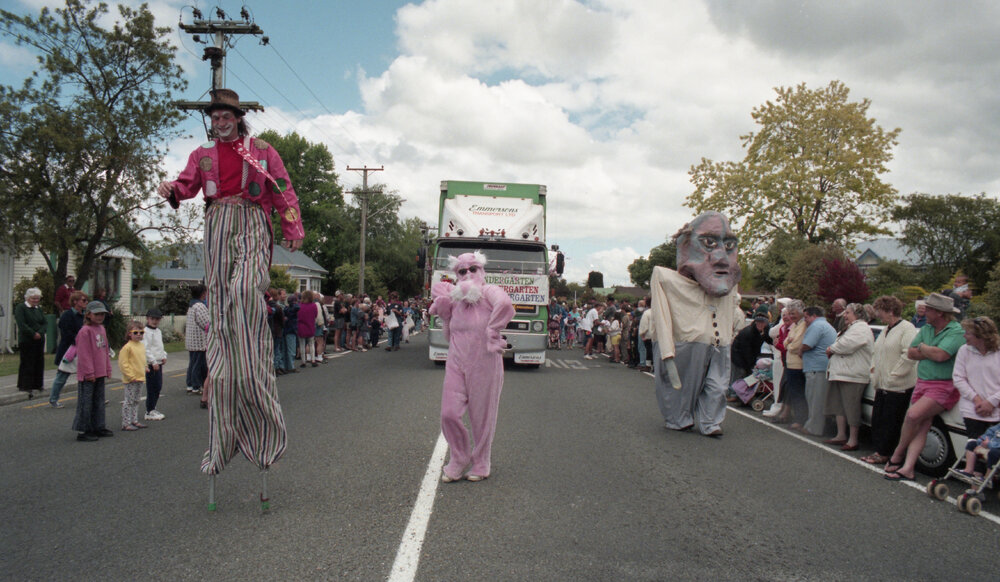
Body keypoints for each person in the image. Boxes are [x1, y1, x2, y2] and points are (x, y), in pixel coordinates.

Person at [647, 211, 743, 436]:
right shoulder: (665, 278)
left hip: (719, 344)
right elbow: (660, 314)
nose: (720, 257)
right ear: (685, 246)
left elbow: (731, 312)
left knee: (718, 387)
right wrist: (667, 352)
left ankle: (711, 422)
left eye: (728, 244)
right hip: (684, 343)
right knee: (681, 388)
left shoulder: (728, 282)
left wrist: (729, 338)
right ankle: (679, 418)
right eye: (708, 243)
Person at [429, 252, 515, 482]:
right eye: (462, 271)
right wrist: (445, 311)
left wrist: (492, 330)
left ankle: (481, 462)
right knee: (448, 413)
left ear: (481, 271)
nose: (468, 274)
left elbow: (506, 305)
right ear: (457, 275)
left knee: (482, 416)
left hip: (485, 361)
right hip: (456, 361)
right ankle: (459, 458)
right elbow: (448, 330)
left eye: (473, 269)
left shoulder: (489, 292)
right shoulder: (456, 300)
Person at [885, 293, 966, 481]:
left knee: (913, 415)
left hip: (944, 385)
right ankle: (908, 468)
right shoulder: (927, 328)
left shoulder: (956, 331)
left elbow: (941, 356)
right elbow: (911, 353)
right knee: (922, 425)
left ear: (939, 313)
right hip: (923, 381)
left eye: (928, 309)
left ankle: (898, 453)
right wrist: (926, 349)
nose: (924, 311)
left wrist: (922, 348)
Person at [861, 295, 918, 465]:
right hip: (882, 384)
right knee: (878, 419)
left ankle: (885, 452)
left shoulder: (907, 328)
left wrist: (895, 375)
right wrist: (873, 371)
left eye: (881, 311)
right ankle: (880, 450)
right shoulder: (886, 329)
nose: (878, 315)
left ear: (891, 311)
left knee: (891, 421)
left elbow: (908, 355)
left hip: (898, 386)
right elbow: (876, 352)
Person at [823, 303, 874, 450]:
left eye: (848, 313)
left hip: (853, 375)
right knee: (839, 406)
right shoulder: (851, 328)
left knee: (851, 408)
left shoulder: (861, 328)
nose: (845, 316)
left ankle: (853, 440)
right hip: (842, 373)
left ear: (857, 314)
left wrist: (831, 348)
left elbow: (846, 345)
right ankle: (841, 435)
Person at [953, 316, 1000, 440]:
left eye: (968, 333)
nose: (964, 336)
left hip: (997, 409)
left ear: (981, 336)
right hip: (972, 409)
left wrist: (991, 402)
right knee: (974, 447)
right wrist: (977, 400)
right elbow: (958, 377)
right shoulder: (964, 350)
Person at [71, 301, 113, 442]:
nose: (100, 316)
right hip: (89, 374)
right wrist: (89, 373)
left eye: (102, 314)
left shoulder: (102, 329)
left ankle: (98, 426)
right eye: (97, 314)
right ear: (88, 314)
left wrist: (108, 368)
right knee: (86, 402)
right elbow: (84, 354)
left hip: (100, 371)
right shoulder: (85, 331)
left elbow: (105, 350)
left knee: (99, 401)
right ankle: (84, 429)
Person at [798, 306, 837, 436]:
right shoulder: (826, 325)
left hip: (816, 368)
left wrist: (800, 350)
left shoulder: (816, 326)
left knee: (815, 399)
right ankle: (813, 425)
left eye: (806, 317)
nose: (805, 321)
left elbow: (808, 344)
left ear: (813, 315)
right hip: (820, 367)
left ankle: (814, 428)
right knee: (816, 398)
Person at [49, 291, 87, 408]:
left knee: (87, 376)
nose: (86, 303)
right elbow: (66, 333)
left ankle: (89, 399)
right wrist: (79, 339)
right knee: (62, 376)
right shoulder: (67, 315)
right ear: (75, 302)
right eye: (83, 300)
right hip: (69, 350)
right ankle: (53, 399)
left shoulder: (86, 315)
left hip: (83, 351)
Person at [14, 287, 47, 399]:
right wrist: (33, 333)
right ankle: (25, 385)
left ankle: (38, 384)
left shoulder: (38, 309)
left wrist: (40, 332)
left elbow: (44, 322)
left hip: (39, 339)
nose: (36, 300)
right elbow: (22, 324)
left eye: (37, 298)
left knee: (39, 361)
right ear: (28, 298)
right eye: (33, 298)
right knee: (27, 361)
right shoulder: (21, 308)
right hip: (27, 340)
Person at [119, 321, 148, 431]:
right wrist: (130, 376)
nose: (139, 335)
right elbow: (123, 363)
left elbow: (141, 359)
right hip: (131, 379)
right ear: (129, 334)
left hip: (140, 377)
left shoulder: (141, 346)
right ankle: (126, 423)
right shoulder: (127, 347)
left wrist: (145, 367)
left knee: (136, 400)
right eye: (135, 332)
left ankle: (134, 419)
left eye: (141, 332)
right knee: (129, 401)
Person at [142, 308, 167, 421]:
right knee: (152, 387)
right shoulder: (145, 332)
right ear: (147, 319)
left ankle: (153, 407)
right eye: (152, 318)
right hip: (151, 364)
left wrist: (164, 355)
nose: (155, 321)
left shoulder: (158, 331)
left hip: (159, 362)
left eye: (157, 319)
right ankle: (149, 410)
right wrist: (153, 361)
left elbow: (160, 346)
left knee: (158, 386)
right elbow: (146, 348)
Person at [185, 284, 209, 395]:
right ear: (203, 293)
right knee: (198, 364)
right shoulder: (200, 306)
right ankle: (196, 385)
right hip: (199, 340)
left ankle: (190, 384)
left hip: (191, 339)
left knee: (192, 363)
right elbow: (206, 323)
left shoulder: (191, 305)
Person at [297, 290, 319, 367]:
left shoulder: (299, 305)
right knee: (311, 344)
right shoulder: (313, 305)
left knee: (302, 344)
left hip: (301, 326)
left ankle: (303, 361)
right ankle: (313, 360)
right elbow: (315, 315)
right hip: (310, 325)